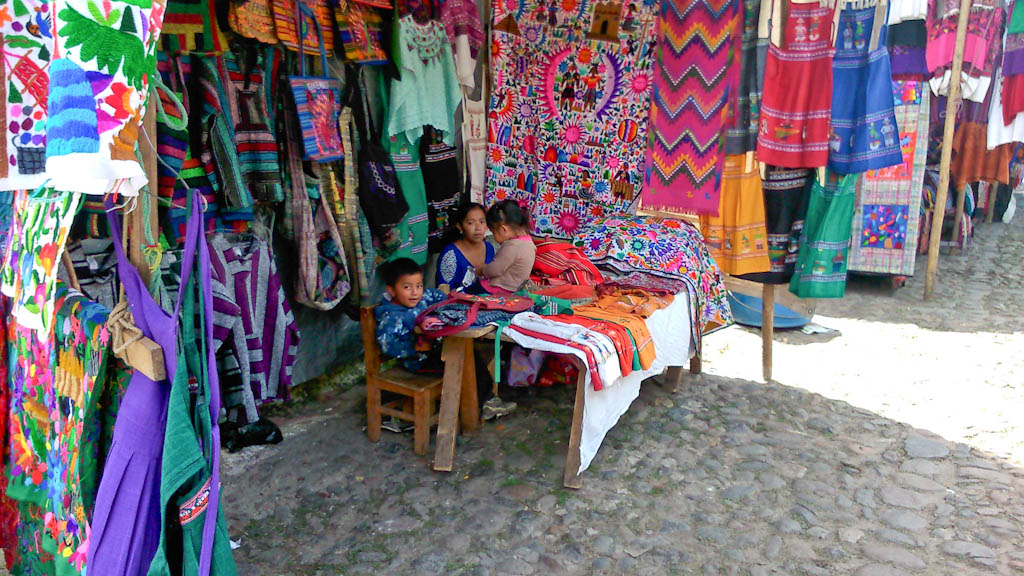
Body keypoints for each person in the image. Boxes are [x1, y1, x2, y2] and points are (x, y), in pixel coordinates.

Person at [375, 258, 447, 374]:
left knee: (466, 354)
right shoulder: (392, 317)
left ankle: (480, 390)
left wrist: (447, 305)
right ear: (391, 291)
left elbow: (435, 294)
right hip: (420, 361)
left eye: (419, 286)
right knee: (460, 365)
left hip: (439, 349)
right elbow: (387, 345)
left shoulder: (422, 298)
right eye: (407, 287)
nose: (415, 292)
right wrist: (414, 347)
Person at [478, 200, 537, 293]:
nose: (494, 237)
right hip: (516, 289)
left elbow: (495, 270)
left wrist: (482, 269)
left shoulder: (512, 246)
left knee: (471, 289)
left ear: (503, 229)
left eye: (493, 233)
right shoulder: (529, 243)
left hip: (500, 289)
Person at [436, 202, 494, 294]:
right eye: (471, 223)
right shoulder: (451, 254)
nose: (478, 227)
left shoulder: (489, 248)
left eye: (482, 222)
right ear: (460, 226)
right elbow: (444, 291)